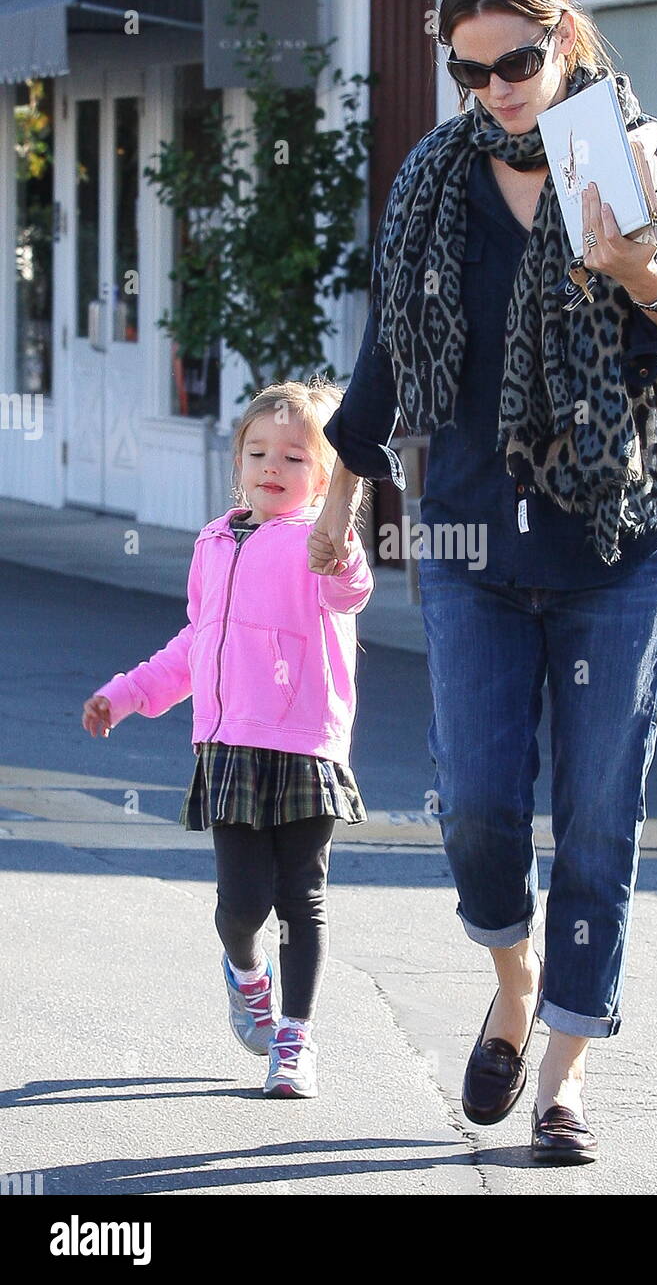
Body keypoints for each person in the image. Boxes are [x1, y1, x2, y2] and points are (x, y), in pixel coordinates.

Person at [308, 0, 657, 1163]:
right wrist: (338, 507)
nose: (495, 88)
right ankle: (510, 986)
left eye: (515, 60)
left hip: (617, 540)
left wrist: (639, 274)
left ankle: (560, 1071)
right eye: (469, 71)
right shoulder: (431, 183)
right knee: (480, 811)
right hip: (461, 534)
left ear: (561, 38)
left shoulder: (649, 161)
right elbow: (389, 360)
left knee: (597, 816)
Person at [82, 379, 373, 1100]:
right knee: (242, 903)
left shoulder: (321, 541)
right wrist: (126, 693)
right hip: (231, 745)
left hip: (307, 744)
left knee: (303, 898)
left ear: (328, 478)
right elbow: (194, 643)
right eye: (259, 452)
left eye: (297, 458)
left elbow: (349, 589)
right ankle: (246, 975)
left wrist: (342, 549)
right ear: (237, 463)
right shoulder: (213, 543)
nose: (274, 466)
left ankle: (295, 1041)